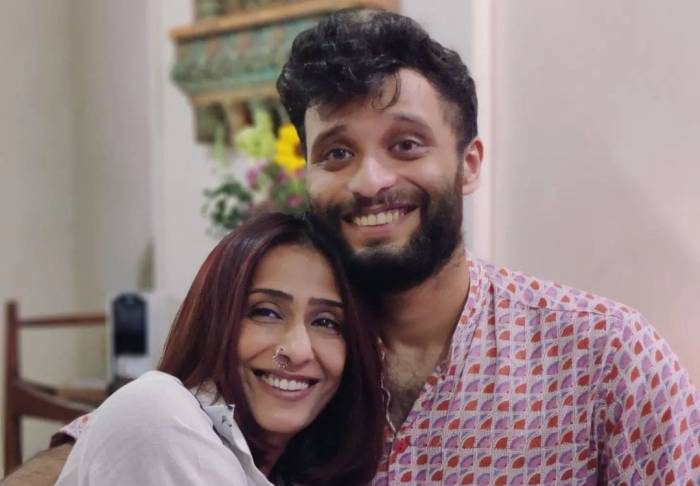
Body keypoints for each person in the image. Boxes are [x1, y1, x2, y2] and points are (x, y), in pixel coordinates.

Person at [4, 8, 700, 486]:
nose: (371, 181)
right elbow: (119, 438)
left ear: (469, 163)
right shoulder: (290, 353)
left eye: (406, 144)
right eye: (337, 152)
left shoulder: (604, 358)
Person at [54, 213, 385, 485]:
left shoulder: (289, 468)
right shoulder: (162, 414)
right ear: (214, 321)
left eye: (326, 322)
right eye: (266, 312)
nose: (298, 351)